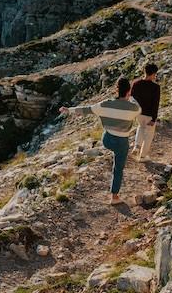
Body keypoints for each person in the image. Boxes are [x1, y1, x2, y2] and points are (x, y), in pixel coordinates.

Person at [59, 76, 141, 204]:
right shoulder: (134, 108)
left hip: (107, 140)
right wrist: (131, 97)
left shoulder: (105, 104)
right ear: (128, 91)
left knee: (108, 136)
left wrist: (68, 110)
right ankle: (114, 197)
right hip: (122, 142)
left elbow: (86, 110)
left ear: (116, 90)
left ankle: (110, 151)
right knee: (118, 168)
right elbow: (138, 107)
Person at [130, 63, 161, 162]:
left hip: (138, 113)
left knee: (140, 127)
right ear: (153, 74)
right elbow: (156, 104)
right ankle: (143, 156)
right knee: (149, 135)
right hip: (149, 115)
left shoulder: (136, 83)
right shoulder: (155, 87)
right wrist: (154, 118)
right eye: (155, 74)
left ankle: (136, 146)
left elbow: (132, 98)